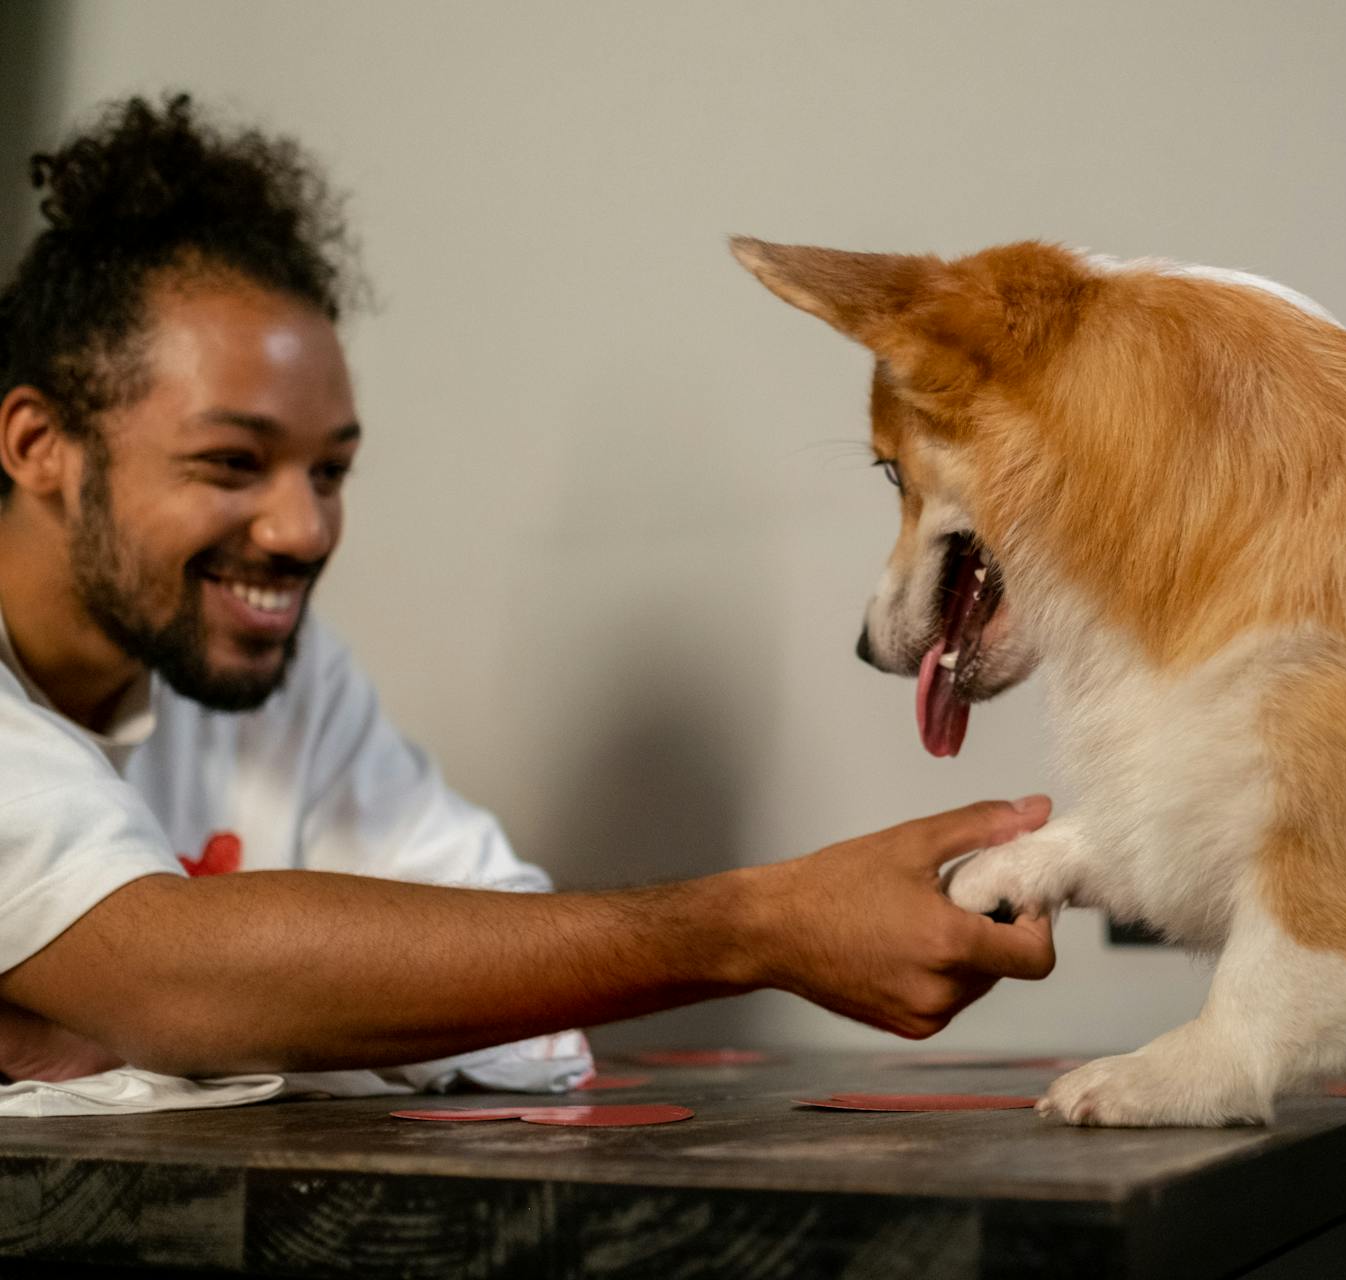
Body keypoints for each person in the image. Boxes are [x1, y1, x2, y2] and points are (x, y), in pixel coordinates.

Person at [0, 95, 1055, 1088]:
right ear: (38, 445)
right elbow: (168, 974)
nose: (304, 528)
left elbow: (529, 1014)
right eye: (233, 462)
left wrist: (174, 1032)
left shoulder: (281, 669)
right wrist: (759, 922)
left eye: (330, 470)